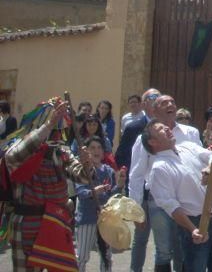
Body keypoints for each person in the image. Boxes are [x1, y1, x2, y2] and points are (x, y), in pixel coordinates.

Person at [5, 99, 93, 272]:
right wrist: (47, 126)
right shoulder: (22, 146)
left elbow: (82, 177)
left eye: (58, 126)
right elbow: (12, 157)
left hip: (56, 223)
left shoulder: (62, 152)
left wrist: (87, 164)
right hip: (27, 226)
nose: (57, 131)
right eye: (54, 124)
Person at [129, 93, 202, 272]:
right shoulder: (144, 139)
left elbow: (201, 163)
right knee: (163, 251)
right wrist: (137, 209)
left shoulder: (190, 133)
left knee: (182, 250)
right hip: (158, 202)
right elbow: (137, 175)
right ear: (154, 110)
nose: (170, 104)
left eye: (172, 102)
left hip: (187, 202)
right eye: (164, 103)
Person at [144, 120, 212, 272]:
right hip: (196, 222)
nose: (167, 129)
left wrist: (211, 168)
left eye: (166, 126)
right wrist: (192, 229)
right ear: (152, 141)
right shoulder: (159, 168)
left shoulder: (188, 147)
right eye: (160, 129)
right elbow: (171, 205)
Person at [74, 136, 126, 272]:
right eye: (92, 148)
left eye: (99, 148)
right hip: (87, 219)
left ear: (103, 152)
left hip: (104, 220)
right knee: (82, 256)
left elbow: (112, 195)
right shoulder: (81, 170)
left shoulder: (108, 171)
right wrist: (94, 192)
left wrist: (119, 185)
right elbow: (81, 193)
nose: (96, 151)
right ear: (86, 152)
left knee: (106, 257)